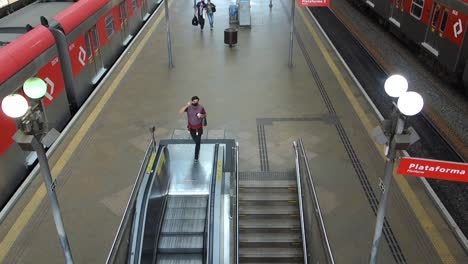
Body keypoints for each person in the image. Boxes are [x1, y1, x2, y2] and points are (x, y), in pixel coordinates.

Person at [179, 96, 207, 161]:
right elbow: (180, 112)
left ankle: (196, 157)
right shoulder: (189, 107)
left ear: (198, 101)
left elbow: (205, 114)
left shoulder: (201, 107)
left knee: (198, 142)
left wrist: (201, 115)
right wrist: (187, 105)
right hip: (191, 128)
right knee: (196, 141)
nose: (195, 102)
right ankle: (198, 147)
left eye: (197, 101)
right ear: (192, 101)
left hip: (199, 128)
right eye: (194, 101)